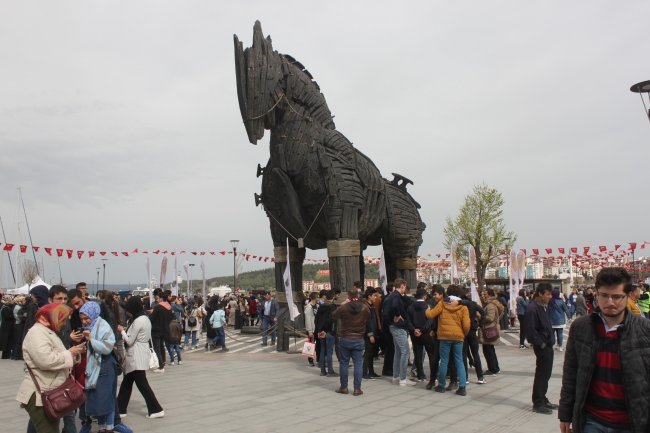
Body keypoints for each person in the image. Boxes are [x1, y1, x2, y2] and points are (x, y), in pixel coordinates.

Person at [559, 267, 650, 433]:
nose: (610, 302)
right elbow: (571, 374)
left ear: (628, 296)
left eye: (616, 297)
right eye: (604, 296)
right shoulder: (581, 328)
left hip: (632, 422)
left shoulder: (644, 330)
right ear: (597, 295)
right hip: (592, 420)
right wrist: (565, 414)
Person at [16, 303, 85, 433]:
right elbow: (45, 360)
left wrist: (73, 354)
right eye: (62, 319)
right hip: (40, 393)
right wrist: (70, 353)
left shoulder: (47, 331)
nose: (64, 323)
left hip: (49, 390)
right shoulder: (37, 333)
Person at [118, 296, 164, 420]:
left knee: (142, 384)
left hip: (135, 355)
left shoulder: (138, 321)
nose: (127, 312)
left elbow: (129, 340)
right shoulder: (144, 318)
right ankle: (120, 409)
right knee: (127, 383)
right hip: (139, 353)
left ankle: (156, 409)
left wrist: (122, 331)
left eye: (128, 310)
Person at [79, 302, 118, 433]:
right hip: (95, 367)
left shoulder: (103, 326)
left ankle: (109, 427)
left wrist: (91, 340)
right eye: (82, 319)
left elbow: (107, 347)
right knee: (98, 400)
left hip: (104, 366)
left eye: (86, 318)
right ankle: (102, 428)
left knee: (106, 398)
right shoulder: (89, 327)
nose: (84, 322)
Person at [426, 288, 471, 396]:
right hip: (458, 337)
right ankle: (462, 387)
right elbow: (466, 325)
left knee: (444, 361)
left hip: (444, 336)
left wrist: (427, 310)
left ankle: (441, 385)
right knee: (459, 361)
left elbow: (431, 315)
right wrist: (463, 334)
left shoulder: (442, 303)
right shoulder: (463, 307)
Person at [331, 287, 371, 396]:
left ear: (348, 296)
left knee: (344, 363)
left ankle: (344, 387)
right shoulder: (364, 308)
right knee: (358, 363)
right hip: (358, 338)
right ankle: (357, 388)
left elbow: (334, 315)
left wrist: (343, 304)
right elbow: (369, 316)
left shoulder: (344, 308)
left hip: (345, 337)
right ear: (358, 296)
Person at [524, 283, 556, 415]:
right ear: (540, 294)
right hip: (542, 346)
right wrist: (541, 344)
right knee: (542, 374)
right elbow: (530, 330)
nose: (550, 297)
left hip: (548, 344)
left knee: (546, 374)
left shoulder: (544, 306)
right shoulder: (533, 308)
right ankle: (538, 402)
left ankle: (543, 397)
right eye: (547, 294)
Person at [385, 278, 415, 386]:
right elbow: (394, 306)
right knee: (405, 351)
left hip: (394, 327)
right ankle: (403, 378)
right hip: (399, 327)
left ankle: (396, 375)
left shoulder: (394, 295)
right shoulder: (396, 296)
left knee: (398, 352)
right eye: (405, 288)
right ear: (402, 286)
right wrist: (398, 315)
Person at [407, 288, 436, 384]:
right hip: (427, 333)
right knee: (431, 355)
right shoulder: (428, 306)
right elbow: (430, 320)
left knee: (418, 355)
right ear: (425, 297)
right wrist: (422, 329)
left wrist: (415, 329)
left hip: (415, 334)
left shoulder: (410, 307)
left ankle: (420, 375)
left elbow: (408, 321)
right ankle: (433, 375)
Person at [458, 286, 486, 385]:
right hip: (473, 330)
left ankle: (465, 377)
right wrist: (480, 324)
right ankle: (480, 376)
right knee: (475, 354)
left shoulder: (459, 304)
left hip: (463, 331)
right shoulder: (473, 304)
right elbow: (483, 312)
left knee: (464, 355)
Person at [479, 288, 503, 375]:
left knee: (488, 350)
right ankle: (495, 367)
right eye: (483, 295)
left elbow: (491, 318)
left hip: (488, 330)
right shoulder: (490, 304)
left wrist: (480, 316)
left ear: (489, 295)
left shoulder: (490, 306)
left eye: (485, 294)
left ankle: (493, 368)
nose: (483, 296)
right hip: (489, 329)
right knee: (490, 350)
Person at [149, 290, 173, 373]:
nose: (157, 300)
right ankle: (163, 362)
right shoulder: (169, 307)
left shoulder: (158, 307)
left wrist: (151, 314)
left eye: (158, 298)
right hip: (165, 329)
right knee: (162, 346)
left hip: (157, 330)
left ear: (161, 298)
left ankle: (160, 366)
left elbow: (152, 319)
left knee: (157, 348)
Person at [315, 290, 337, 376]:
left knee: (322, 350)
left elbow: (316, 319)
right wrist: (326, 330)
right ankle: (330, 370)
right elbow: (331, 319)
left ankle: (323, 370)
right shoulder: (332, 307)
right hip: (329, 332)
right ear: (333, 297)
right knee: (329, 351)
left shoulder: (321, 306)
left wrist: (319, 330)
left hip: (320, 331)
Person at [362, 287, 382, 380]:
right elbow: (367, 322)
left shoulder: (372, 306)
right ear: (369, 296)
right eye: (374, 296)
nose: (376, 297)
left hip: (374, 332)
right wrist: (370, 334)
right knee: (368, 353)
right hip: (368, 334)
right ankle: (365, 372)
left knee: (372, 353)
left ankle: (371, 371)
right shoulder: (366, 307)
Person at [380, 283, 395, 377]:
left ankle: (389, 368)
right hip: (388, 328)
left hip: (388, 327)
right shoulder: (388, 300)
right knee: (390, 349)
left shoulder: (387, 299)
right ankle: (387, 368)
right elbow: (385, 314)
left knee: (391, 349)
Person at [304, 292, 319, 367]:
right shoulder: (308, 307)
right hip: (312, 328)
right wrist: (310, 330)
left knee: (318, 344)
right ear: (315, 298)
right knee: (311, 344)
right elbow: (308, 319)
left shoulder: (317, 306)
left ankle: (318, 359)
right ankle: (310, 360)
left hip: (317, 327)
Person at [0, 294, 16, 359]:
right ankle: (6, 354)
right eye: (11, 299)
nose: (13, 301)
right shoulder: (6, 308)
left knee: (8, 340)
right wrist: (14, 316)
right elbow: (6, 316)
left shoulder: (7, 307)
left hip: (8, 326)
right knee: (6, 339)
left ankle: (7, 353)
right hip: (6, 326)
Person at [12, 295, 27, 360]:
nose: (25, 302)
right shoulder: (19, 308)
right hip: (19, 325)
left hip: (17, 324)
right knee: (19, 340)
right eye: (23, 300)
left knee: (16, 341)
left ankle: (14, 355)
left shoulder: (16, 307)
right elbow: (20, 317)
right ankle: (17, 356)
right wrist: (25, 316)